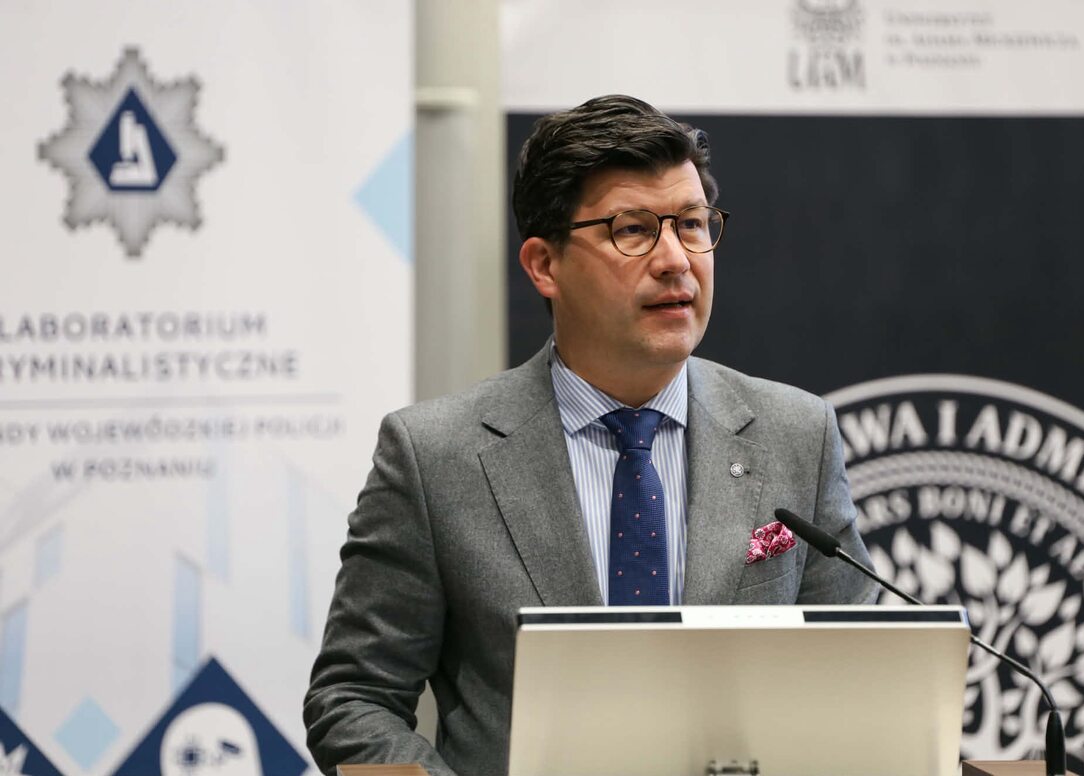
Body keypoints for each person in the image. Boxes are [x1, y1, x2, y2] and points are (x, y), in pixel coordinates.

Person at [303, 95, 877, 776]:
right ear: (544, 265)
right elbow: (355, 697)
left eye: (692, 225)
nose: (676, 259)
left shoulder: (796, 435)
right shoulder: (434, 457)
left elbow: (862, 676)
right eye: (633, 231)